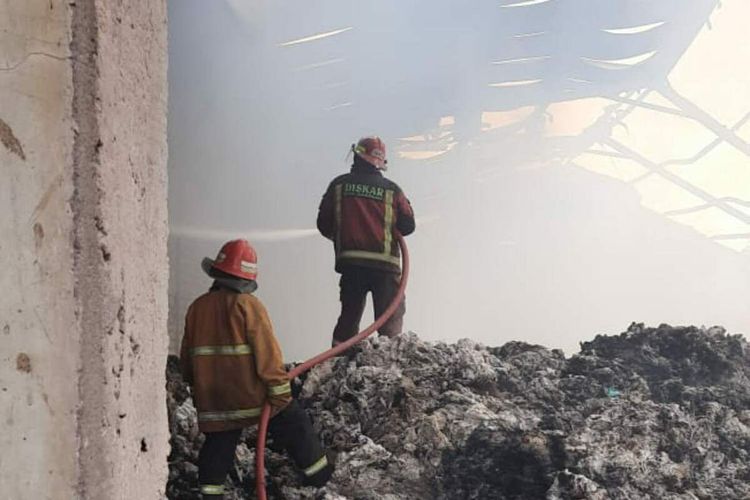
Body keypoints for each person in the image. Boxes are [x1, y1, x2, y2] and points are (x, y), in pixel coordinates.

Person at [179, 239, 333, 499]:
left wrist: (200, 388)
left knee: (217, 447)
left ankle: (210, 493)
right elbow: (268, 357)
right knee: (295, 424)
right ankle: (320, 476)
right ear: (247, 280)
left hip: (214, 403)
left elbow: (186, 362)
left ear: (216, 272)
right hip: (251, 399)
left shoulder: (196, 308)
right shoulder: (249, 306)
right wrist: (281, 395)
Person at [317, 136, 416, 347]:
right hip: (386, 269)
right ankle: (390, 364)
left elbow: (323, 224)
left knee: (349, 318)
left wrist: (346, 236)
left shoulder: (338, 186)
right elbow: (408, 226)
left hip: (352, 266)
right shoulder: (392, 191)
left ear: (356, 155)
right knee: (390, 323)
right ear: (381, 162)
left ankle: (336, 361)